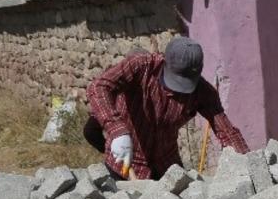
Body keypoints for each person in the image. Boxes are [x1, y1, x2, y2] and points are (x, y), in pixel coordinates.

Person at [84, 37, 249, 179]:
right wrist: (117, 131)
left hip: (167, 170)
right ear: (165, 63)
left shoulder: (203, 91)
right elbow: (99, 87)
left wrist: (250, 165)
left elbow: (226, 131)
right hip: (126, 167)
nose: (178, 91)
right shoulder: (141, 67)